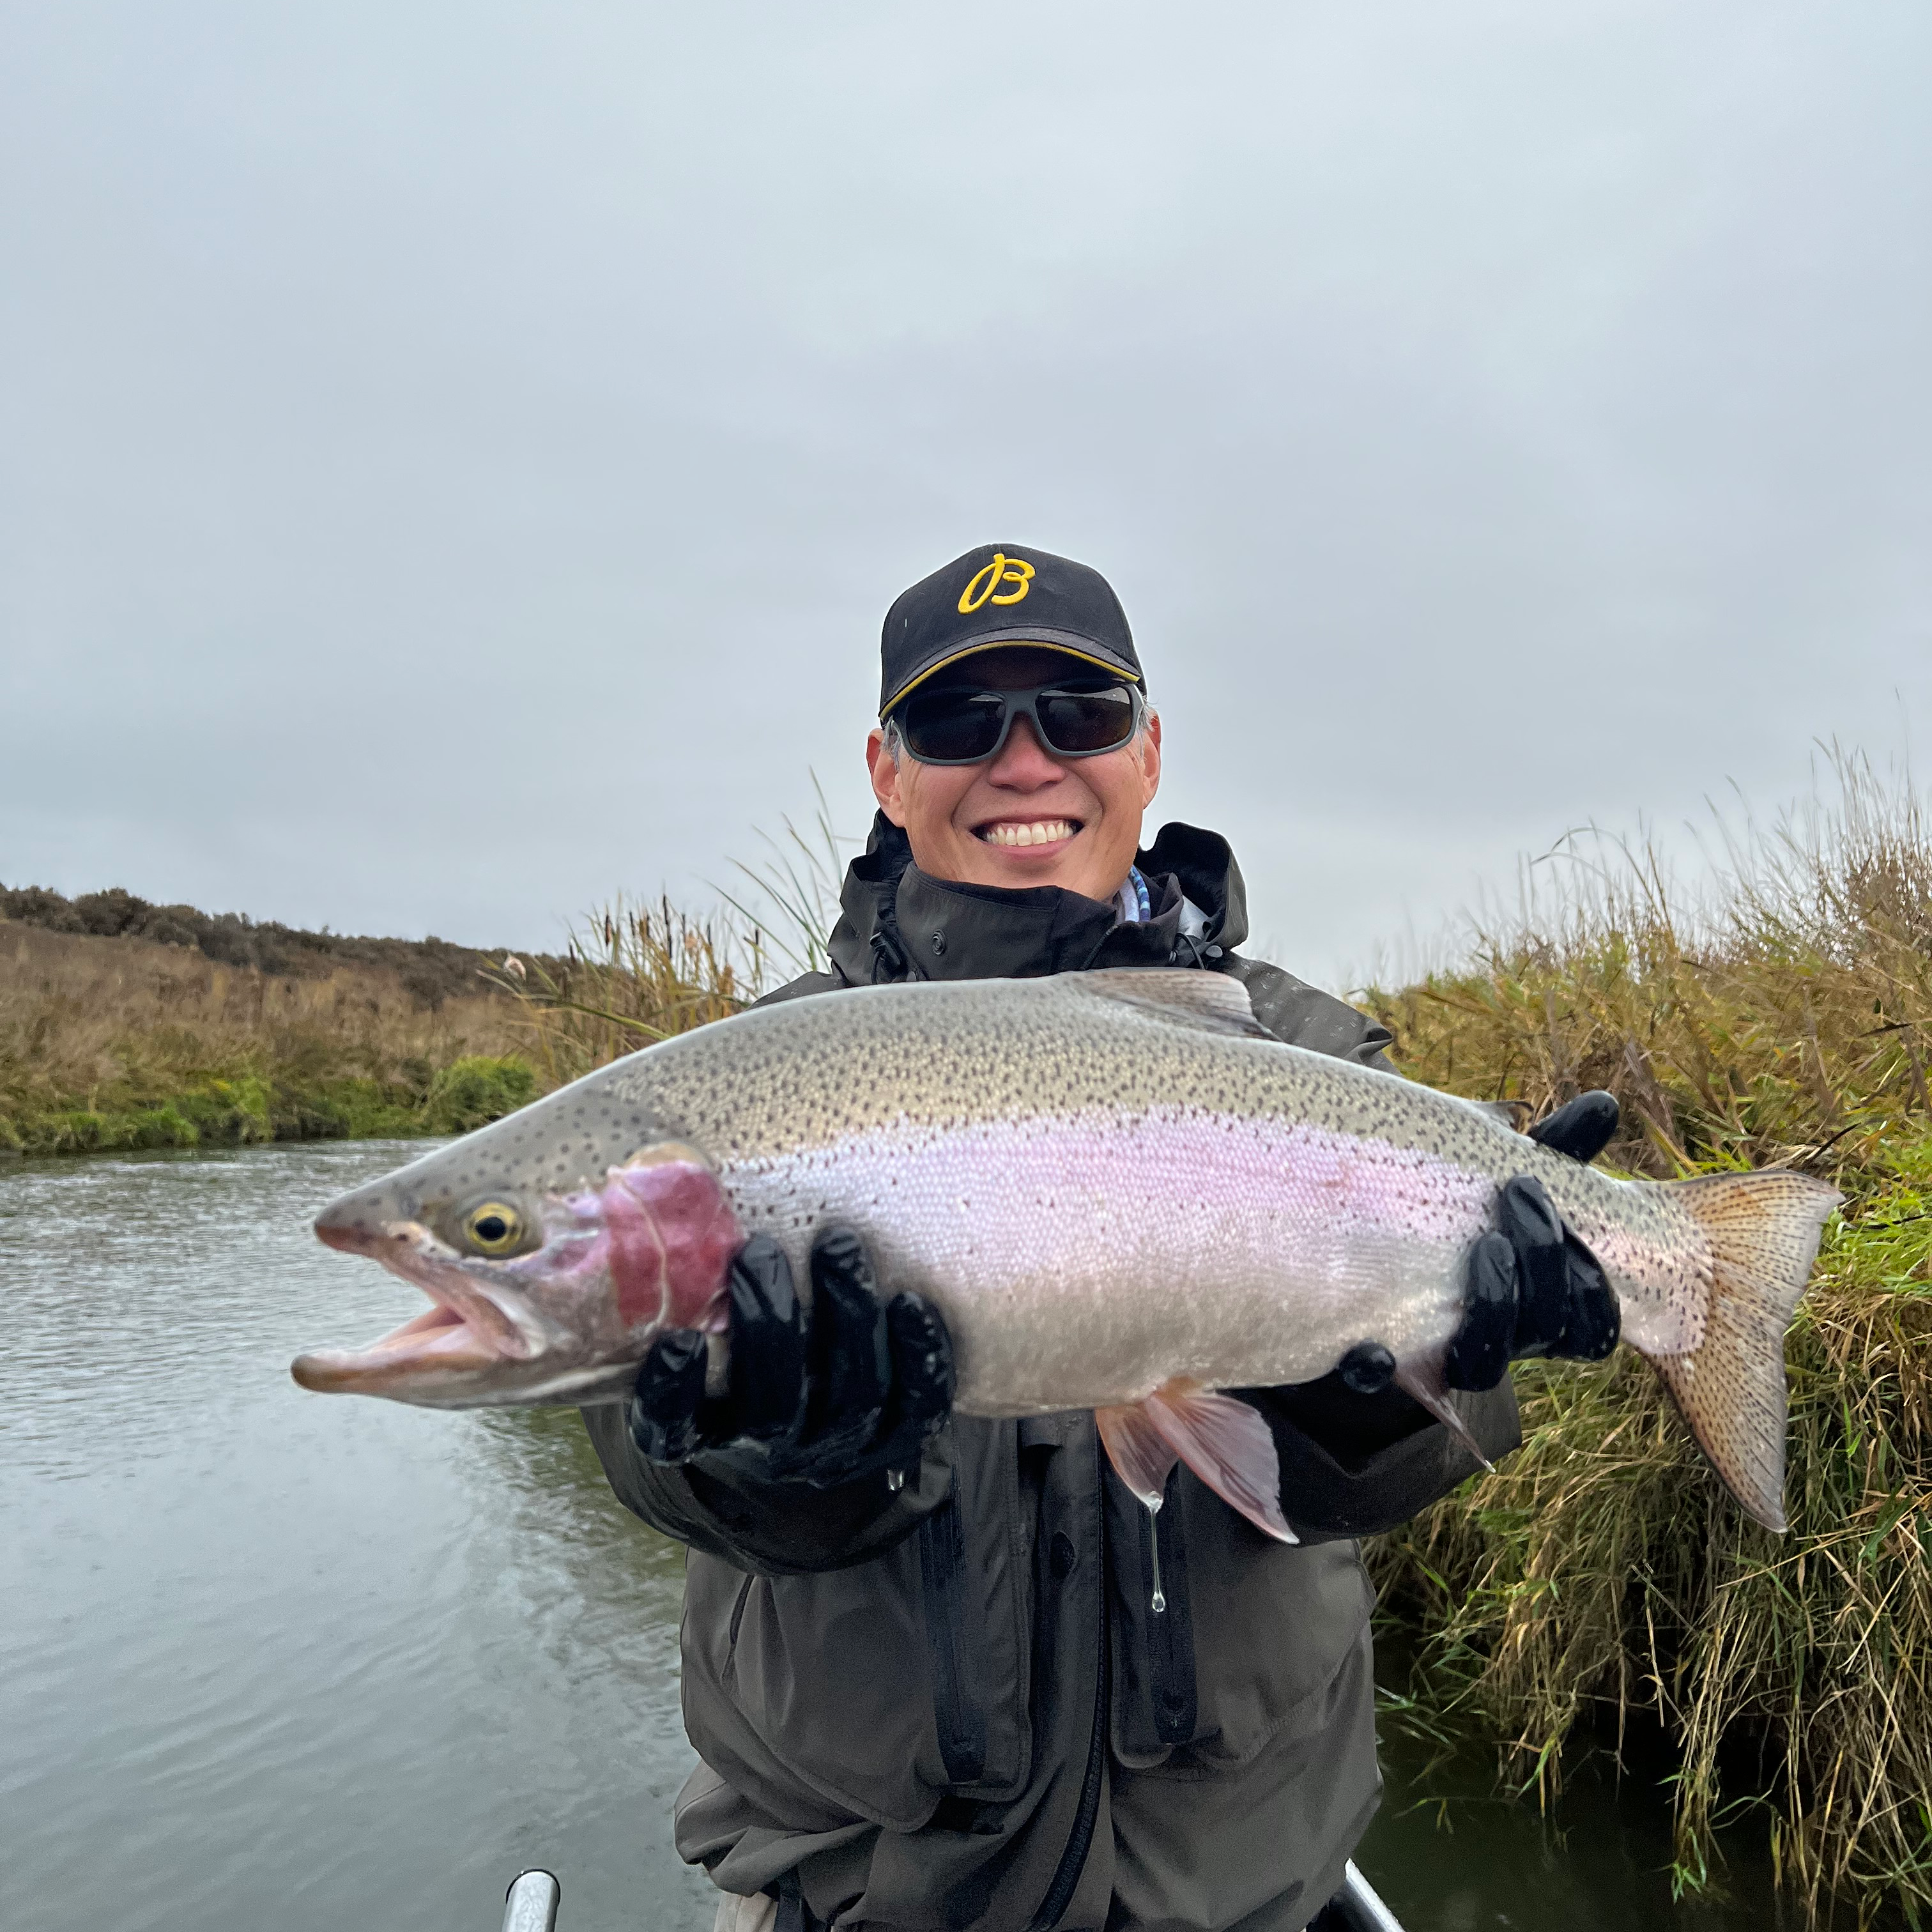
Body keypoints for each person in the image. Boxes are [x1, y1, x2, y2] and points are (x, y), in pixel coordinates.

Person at [583, 545, 1620, 1932]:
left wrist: (1378, 1398)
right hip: (858, 1892)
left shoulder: (1313, 1052)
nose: (1026, 763)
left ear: (1146, 753)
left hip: (1235, 1887)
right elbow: (629, 1442)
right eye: (963, 723)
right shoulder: (753, 1081)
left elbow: (1425, 1455)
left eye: (1077, 715)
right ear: (887, 771)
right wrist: (769, 1451)